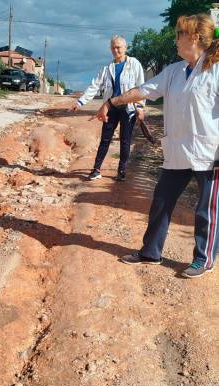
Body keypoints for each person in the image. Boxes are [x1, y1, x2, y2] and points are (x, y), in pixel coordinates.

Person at [95, 14, 219, 278]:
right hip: (177, 150)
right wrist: (112, 102)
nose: (175, 41)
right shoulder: (174, 71)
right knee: (161, 201)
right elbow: (143, 90)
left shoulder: (216, 69)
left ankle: (203, 258)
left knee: (206, 209)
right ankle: (151, 252)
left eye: (179, 35)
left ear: (195, 38)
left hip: (211, 153)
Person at [71, 36, 145, 181]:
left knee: (125, 140)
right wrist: (80, 102)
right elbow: (94, 86)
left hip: (128, 108)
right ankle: (96, 169)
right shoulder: (107, 68)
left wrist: (140, 107)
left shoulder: (134, 64)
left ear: (125, 47)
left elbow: (140, 86)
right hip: (110, 108)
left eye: (118, 47)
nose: (116, 50)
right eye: (113, 47)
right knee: (105, 139)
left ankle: (122, 171)